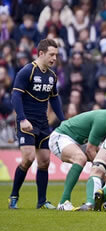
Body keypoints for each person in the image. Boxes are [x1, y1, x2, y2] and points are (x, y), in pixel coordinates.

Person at [49, 96, 106, 211]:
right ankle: (63, 202)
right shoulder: (104, 120)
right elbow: (90, 150)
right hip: (61, 137)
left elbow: (104, 155)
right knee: (81, 158)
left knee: (105, 162)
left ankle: (102, 201)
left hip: (79, 142)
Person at [9, 38, 65, 209]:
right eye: (51, 54)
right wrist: (22, 119)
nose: (54, 58)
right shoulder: (27, 71)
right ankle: (14, 196)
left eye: (56, 55)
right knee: (28, 159)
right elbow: (16, 96)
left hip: (42, 123)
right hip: (27, 123)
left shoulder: (52, 76)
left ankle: (41, 202)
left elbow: (54, 99)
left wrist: (63, 121)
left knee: (45, 161)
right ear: (41, 53)